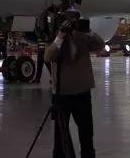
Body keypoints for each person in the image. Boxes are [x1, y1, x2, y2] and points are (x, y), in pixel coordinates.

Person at [44, 10, 104, 158]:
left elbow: (100, 45)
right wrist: (60, 36)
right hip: (61, 94)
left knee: (86, 134)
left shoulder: (81, 35)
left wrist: (89, 31)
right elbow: (48, 56)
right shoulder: (55, 36)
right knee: (60, 138)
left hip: (82, 93)